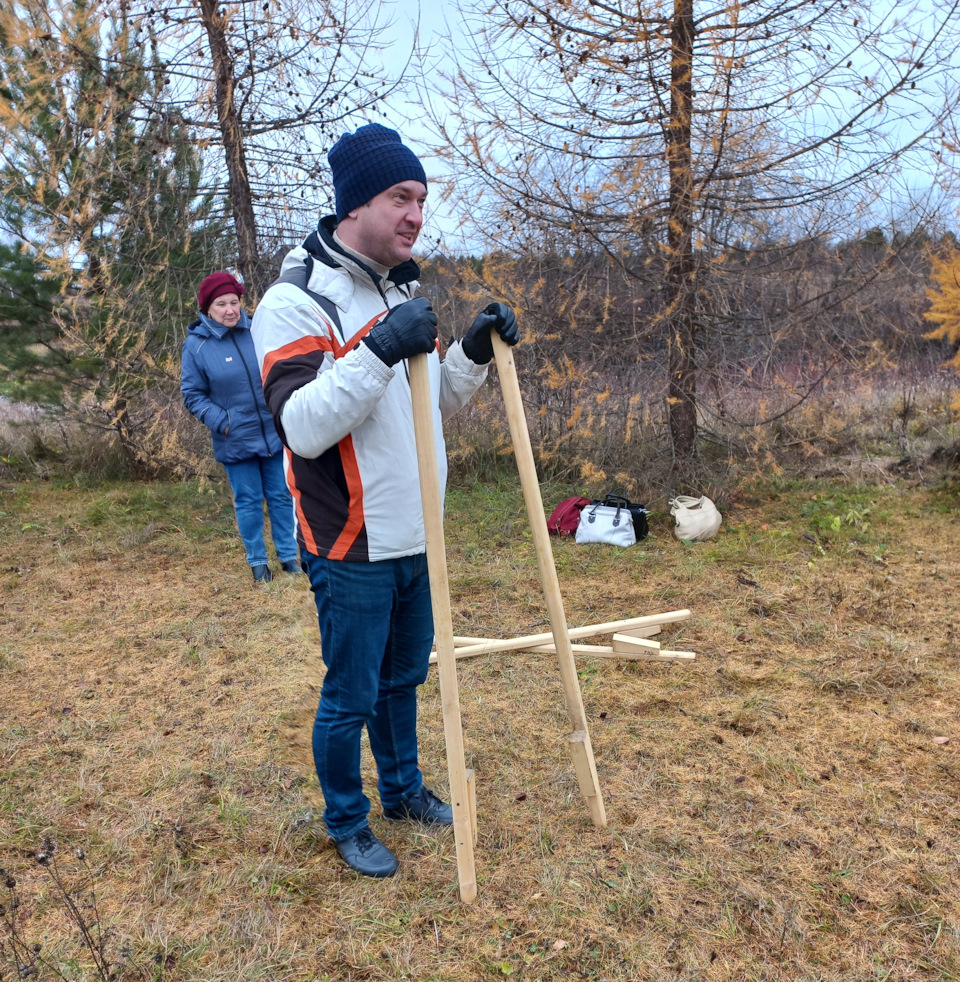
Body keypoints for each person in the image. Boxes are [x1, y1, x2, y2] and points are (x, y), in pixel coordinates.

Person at [251, 123, 519, 878]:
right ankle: (348, 821)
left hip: (417, 534)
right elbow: (301, 427)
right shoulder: (296, 300)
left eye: (422, 200)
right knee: (351, 693)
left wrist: (469, 351)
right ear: (356, 204)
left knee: (403, 680)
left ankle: (403, 792)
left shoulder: (399, 287)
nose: (415, 214)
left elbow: (425, 406)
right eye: (401, 197)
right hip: (351, 543)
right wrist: (376, 347)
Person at [181, 271, 302, 583]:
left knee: (281, 495)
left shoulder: (258, 331)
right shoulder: (196, 346)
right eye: (221, 304)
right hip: (235, 438)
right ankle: (258, 563)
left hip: (272, 432)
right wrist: (223, 422)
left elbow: (279, 369)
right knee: (248, 500)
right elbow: (192, 395)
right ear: (208, 308)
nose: (230, 309)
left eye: (234, 302)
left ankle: (289, 557)